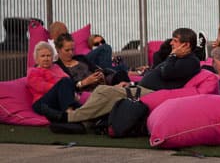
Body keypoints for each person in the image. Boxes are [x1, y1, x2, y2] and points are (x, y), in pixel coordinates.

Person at [65, 28, 201, 126]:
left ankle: (70, 117)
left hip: (153, 95)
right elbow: (158, 64)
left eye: (175, 41)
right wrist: (132, 84)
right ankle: (85, 118)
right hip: (142, 89)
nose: (172, 43)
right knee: (102, 89)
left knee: (107, 92)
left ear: (186, 45)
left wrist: (172, 55)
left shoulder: (190, 61)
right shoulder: (179, 58)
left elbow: (167, 73)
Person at [27, 41, 81, 125]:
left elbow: (67, 80)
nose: (46, 58)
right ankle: (69, 113)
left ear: (52, 58)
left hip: (57, 99)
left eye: (48, 55)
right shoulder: (33, 72)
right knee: (64, 81)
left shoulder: (56, 67)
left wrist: (70, 92)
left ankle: (88, 118)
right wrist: (61, 89)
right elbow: (42, 87)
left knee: (79, 105)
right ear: (37, 59)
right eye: (43, 56)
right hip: (42, 103)